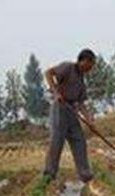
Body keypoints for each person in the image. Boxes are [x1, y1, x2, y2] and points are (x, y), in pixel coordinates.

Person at [43, 48, 96, 183]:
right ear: (82, 61)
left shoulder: (81, 80)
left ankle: (84, 173)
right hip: (60, 108)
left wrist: (89, 120)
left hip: (72, 110)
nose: (90, 69)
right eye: (89, 65)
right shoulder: (67, 67)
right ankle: (49, 173)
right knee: (57, 141)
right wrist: (56, 92)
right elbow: (48, 73)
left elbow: (82, 103)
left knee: (79, 140)